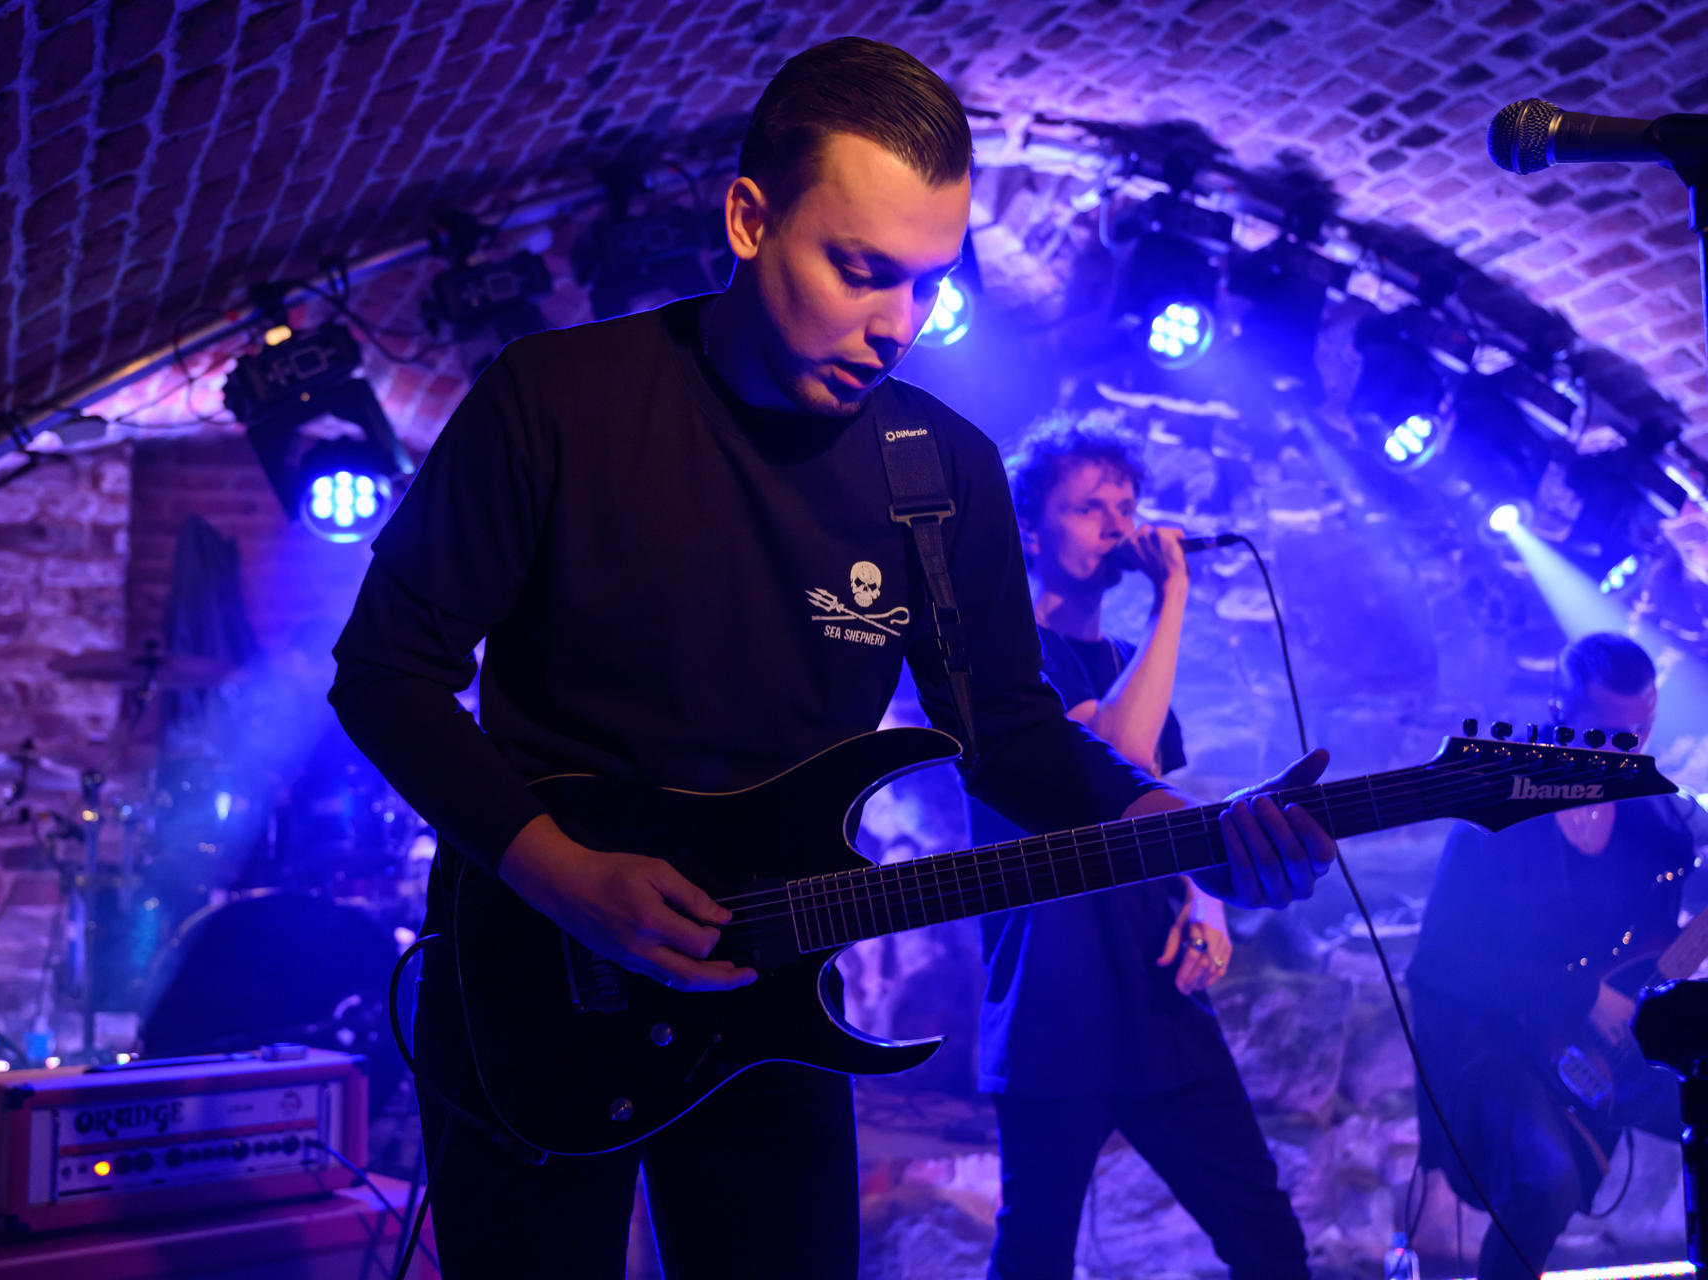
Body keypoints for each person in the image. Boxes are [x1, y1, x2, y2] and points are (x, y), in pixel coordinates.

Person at [330, 37, 1337, 1280]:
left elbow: (1006, 730)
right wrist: (563, 873)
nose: (897, 325)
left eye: (927, 284)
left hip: (774, 994)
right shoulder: (558, 397)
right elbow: (386, 669)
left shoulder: (940, 469)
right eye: (861, 271)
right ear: (749, 219)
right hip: (536, 973)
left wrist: (1179, 826)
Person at [969, 423, 1310, 1280]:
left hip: (1156, 996)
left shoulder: (1127, 661)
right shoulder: (1005, 669)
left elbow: (1165, 809)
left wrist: (1207, 903)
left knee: (1266, 1236)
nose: (1118, 526)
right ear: (1030, 532)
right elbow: (1114, 757)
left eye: (1125, 506)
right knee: (1034, 1256)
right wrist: (1173, 596)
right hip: (1054, 1005)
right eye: (1089, 508)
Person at [1408, 632, 1694, 1280]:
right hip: (1496, 1042)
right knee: (1546, 1181)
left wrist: (1670, 967)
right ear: (1560, 711)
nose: (1627, 751)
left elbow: (1652, 947)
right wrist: (1583, 996)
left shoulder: (1653, 821)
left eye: (1640, 733)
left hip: (1600, 1048)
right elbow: (1442, 963)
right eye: (1610, 734)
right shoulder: (1499, 810)